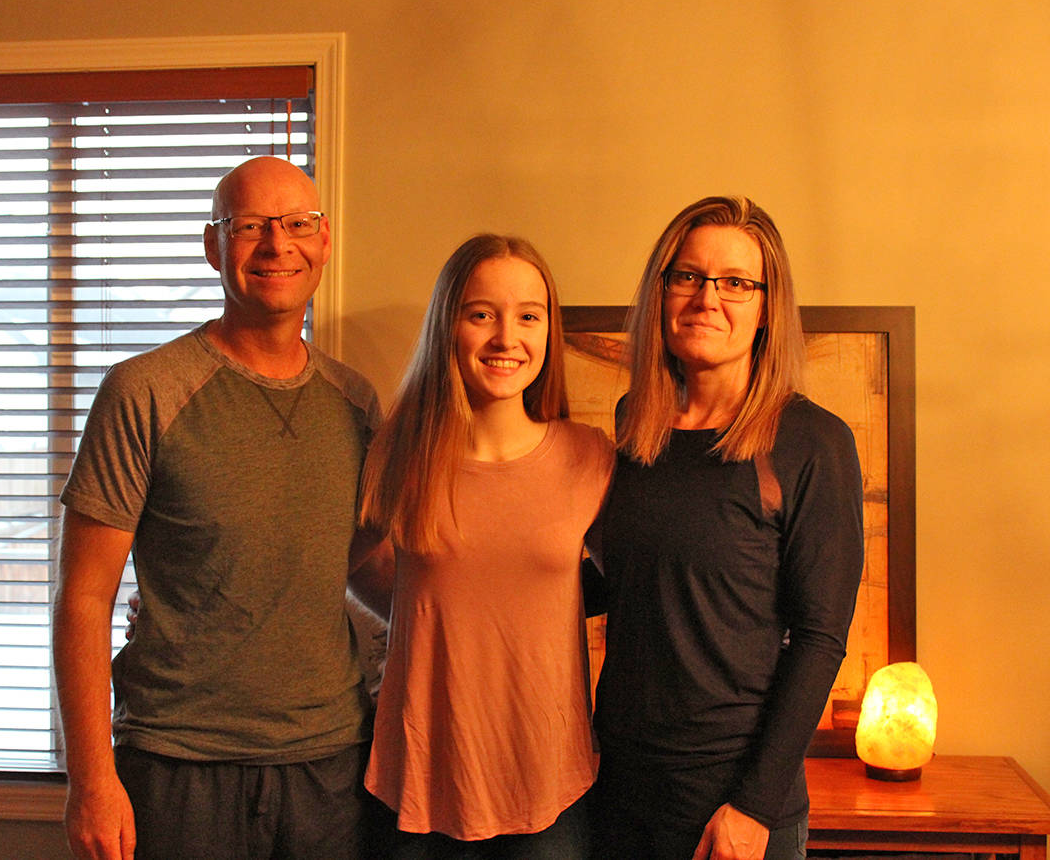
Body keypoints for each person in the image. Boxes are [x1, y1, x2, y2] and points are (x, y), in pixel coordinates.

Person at [52, 156, 392, 860]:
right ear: (214, 245)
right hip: (178, 766)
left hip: (330, 766)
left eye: (298, 224)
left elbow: (351, 561)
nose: (277, 245)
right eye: (249, 227)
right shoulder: (143, 392)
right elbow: (83, 598)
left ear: (323, 242)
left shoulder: (357, 404)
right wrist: (91, 781)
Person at [588, 196, 864, 860]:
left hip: (729, 809)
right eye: (688, 276)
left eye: (736, 282)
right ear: (661, 292)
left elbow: (820, 638)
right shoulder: (636, 423)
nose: (708, 298)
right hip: (617, 788)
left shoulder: (811, 442)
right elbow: (616, 582)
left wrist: (754, 806)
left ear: (768, 306)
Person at [357, 234, 614, 858]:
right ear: (449, 325)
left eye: (528, 316)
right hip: (419, 782)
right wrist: (429, 619)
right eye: (482, 315)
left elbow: (645, 586)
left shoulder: (590, 457)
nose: (507, 337)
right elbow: (352, 560)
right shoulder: (401, 451)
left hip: (551, 783)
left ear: (549, 331)